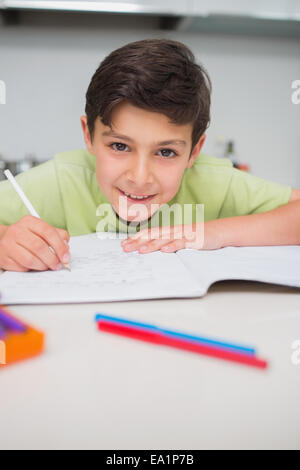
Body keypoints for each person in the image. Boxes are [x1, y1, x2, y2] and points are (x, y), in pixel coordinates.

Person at [0, 39, 299, 272]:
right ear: (88, 135)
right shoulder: (62, 179)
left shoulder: (214, 181)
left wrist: (214, 233)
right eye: (119, 146)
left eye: (166, 152)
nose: (139, 177)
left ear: (194, 151)